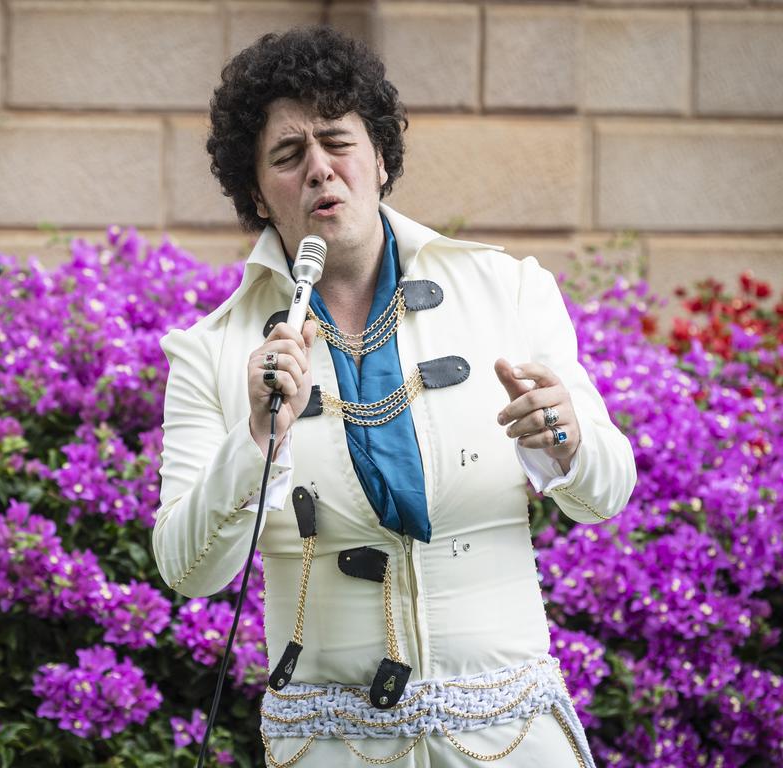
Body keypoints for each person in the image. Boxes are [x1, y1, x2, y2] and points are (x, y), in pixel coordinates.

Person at [153, 26, 636, 768]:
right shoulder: (211, 351)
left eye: (338, 142)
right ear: (255, 192)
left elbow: (606, 495)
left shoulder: (507, 290)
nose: (320, 170)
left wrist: (565, 437)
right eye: (288, 155)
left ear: (380, 159)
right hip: (328, 746)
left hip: (511, 736)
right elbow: (188, 571)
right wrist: (254, 443)